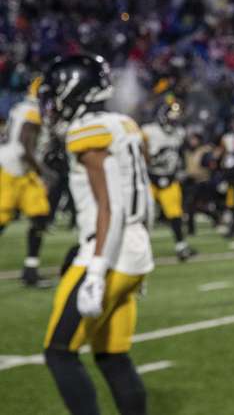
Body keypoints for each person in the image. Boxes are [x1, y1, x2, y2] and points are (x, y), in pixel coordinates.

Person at [39, 55, 154, 415]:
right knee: (113, 355)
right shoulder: (124, 124)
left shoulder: (87, 131)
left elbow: (111, 206)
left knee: (59, 353)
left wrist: (96, 271)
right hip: (134, 251)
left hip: (107, 250)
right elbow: (142, 195)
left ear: (74, 89)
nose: (53, 101)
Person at [0, 78, 54, 287]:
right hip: (12, 169)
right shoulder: (32, 111)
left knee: (39, 216)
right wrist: (44, 171)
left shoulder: (21, 108)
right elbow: (25, 146)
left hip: (21, 170)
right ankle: (30, 271)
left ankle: (30, 271)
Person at [141, 101, 195, 261]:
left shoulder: (179, 133)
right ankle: (139, 250)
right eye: (171, 118)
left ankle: (181, 246)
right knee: (144, 215)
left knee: (175, 214)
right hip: (149, 178)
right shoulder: (148, 131)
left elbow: (181, 154)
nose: (173, 121)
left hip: (169, 179)